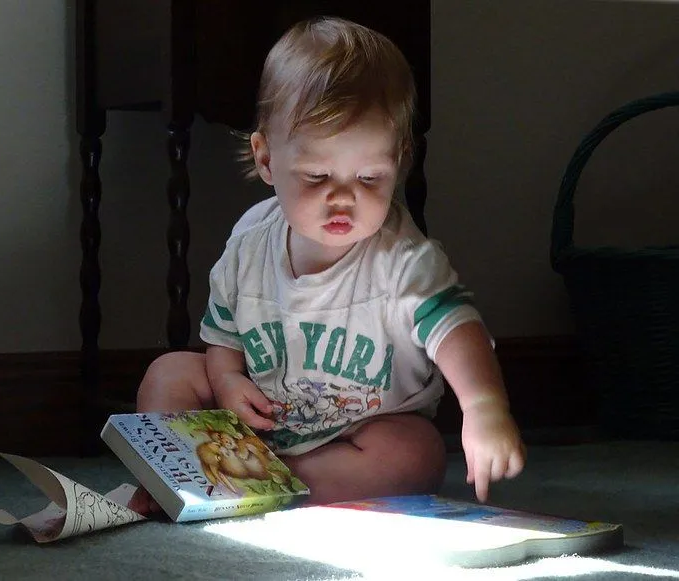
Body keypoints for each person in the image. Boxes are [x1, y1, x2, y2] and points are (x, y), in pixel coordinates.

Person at [130, 16, 525, 515]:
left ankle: (272, 487)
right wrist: (229, 382)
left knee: (415, 453)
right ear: (267, 159)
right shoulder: (251, 242)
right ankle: (189, 474)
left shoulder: (404, 260)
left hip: (357, 433)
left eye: (369, 176)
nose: (343, 198)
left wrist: (483, 406)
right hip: (256, 423)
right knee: (170, 373)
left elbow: (456, 329)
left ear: (399, 162)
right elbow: (223, 339)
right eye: (317, 176)